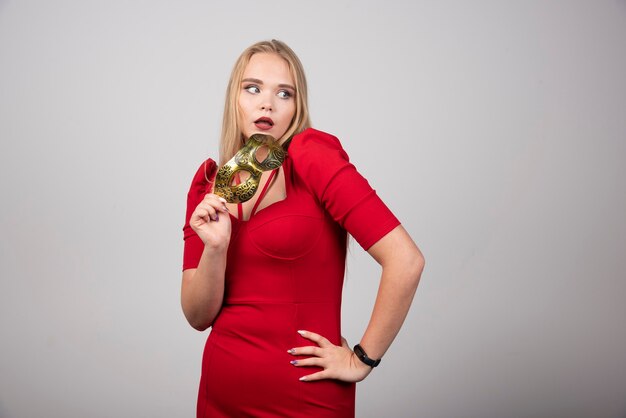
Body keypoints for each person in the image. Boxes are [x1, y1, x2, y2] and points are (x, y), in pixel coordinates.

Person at [181, 39, 425, 417]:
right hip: (221, 396)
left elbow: (406, 261)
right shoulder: (211, 186)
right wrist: (215, 249)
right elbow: (198, 316)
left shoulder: (311, 157)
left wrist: (362, 358)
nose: (267, 103)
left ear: (297, 106)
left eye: (284, 93)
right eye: (253, 88)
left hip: (305, 400)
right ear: (235, 98)